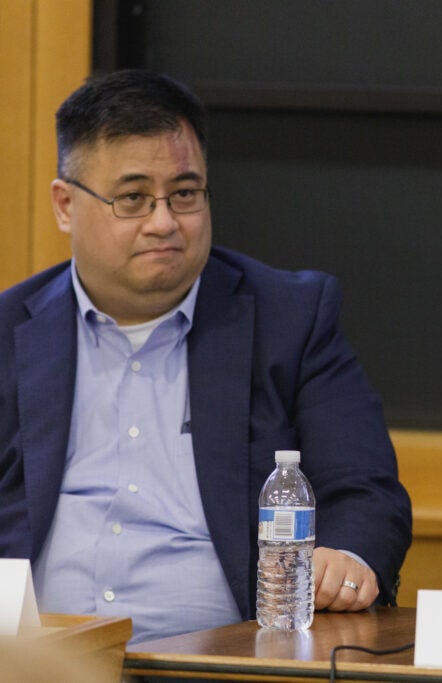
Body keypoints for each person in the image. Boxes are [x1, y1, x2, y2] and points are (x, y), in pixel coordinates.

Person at [0, 70, 412, 643]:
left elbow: (364, 489)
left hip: (226, 663)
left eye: (185, 194)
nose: (165, 222)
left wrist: (345, 555)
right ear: (66, 205)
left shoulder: (289, 318)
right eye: (133, 198)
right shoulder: (7, 333)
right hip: (37, 664)